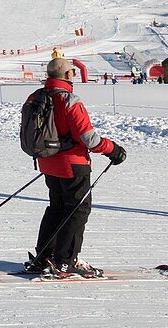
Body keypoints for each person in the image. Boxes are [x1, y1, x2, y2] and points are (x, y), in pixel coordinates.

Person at [24, 58, 126, 278]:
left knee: (57, 208)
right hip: (73, 164)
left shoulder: (36, 97)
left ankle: (43, 256)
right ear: (68, 75)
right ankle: (65, 261)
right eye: (72, 72)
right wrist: (113, 149)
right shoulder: (69, 100)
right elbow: (89, 138)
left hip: (47, 161)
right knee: (77, 210)